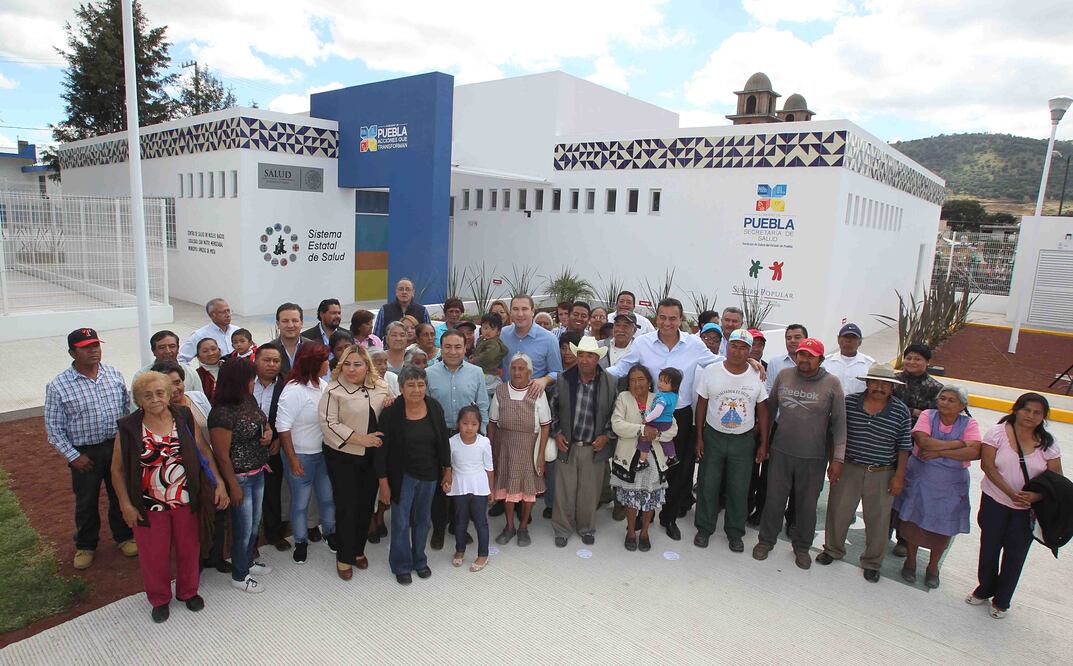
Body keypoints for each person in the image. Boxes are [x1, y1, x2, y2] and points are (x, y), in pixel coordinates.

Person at [112, 371, 227, 622]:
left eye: (160, 393)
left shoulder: (183, 415)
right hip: (148, 505)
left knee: (189, 549)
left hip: (186, 499)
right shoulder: (128, 427)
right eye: (147, 395)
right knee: (154, 555)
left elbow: (204, 452)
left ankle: (188, 592)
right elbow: (117, 470)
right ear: (138, 400)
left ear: (169, 394)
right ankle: (159, 598)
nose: (154, 399)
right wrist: (125, 504)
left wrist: (219, 482)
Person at [606, 298, 722, 542]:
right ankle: (638, 515)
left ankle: (668, 517)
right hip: (647, 414)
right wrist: (594, 372)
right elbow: (622, 368)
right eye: (662, 317)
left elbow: (717, 363)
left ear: (681, 320)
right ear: (656, 318)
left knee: (676, 469)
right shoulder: (643, 343)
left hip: (680, 414)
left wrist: (750, 363)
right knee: (644, 464)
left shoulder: (694, 344)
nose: (667, 323)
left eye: (672, 318)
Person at [45, 328, 136, 569]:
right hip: (85, 454)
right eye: (86, 347)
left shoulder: (114, 375)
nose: (94, 350)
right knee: (86, 500)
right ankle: (86, 545)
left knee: (120, 494)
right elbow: (54, 429)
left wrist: (125, 444)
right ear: (72, 352)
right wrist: (74, 456)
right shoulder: (58, 386)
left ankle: (124, 536)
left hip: (115, 446)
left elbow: (125, 412)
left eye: (96, 345)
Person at [753, 338, 846, 570]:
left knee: (806, 505)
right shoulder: (784, 375)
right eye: (802, 354)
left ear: (820, 359)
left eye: (810, 356)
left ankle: (802, 547)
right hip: (781, 450)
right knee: (773, 499)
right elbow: (770, 408)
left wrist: (837, 459)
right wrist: (764, 443)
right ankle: (766, 540)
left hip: (813, 456)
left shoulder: (832, 383)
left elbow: (840, 424)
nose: (804, 359)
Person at [817, 363, 912, 582]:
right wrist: (835, 461)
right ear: (867, 383)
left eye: (885, 384)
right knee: (838, 511)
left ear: (892, 387)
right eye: (875, 382)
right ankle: (832, 549)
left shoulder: (901, 411)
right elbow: (836, 434)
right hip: (849, 466)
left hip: (882, 472)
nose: (879, 387)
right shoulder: (849, 403)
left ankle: (872, 562)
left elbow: (904, 446)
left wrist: (899, 476)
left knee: (878, 519)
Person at [970, 393, 1062, 618]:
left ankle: (1002, 601)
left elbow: (1056, 481)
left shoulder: (1048, 445)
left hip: (1027, 512)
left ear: (1043, 417)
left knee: (1015, 554)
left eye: (1037, 412)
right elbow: (988, 466)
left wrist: (1034, 498)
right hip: (995, 502)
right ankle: (985, 589)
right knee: (989, 548)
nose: (1031, 416)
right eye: (1026, 410)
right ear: (1016, 409)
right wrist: (1010, 492)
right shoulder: (997, 433)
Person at [892, 385, 981, 587]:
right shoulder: (927, 415)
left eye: (951, 400)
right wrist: (958, 444)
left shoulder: (969, 423)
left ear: (962, 406)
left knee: (943, 527)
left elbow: (974, 452)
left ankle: (933, 566)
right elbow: (924, 443)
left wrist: (940, 452)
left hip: (951, 486)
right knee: (913, 521)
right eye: (943, 398)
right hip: (920, 479)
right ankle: (911, 561)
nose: (945, 403)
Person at [319, 345, 392, 580]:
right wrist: (362, 439)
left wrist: (392, 403)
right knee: (347, 506)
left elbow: (390, 409)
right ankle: (344, 555)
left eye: (357, 364)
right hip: (343, 457)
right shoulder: (333, 390)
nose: (351, 369)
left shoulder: (381, 386)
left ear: (366, 366)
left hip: (372, 457)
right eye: (347, 364)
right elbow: (329, 424)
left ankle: (358, 550)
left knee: (365, 506)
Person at [375, 365, 452, 585]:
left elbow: (442, 442)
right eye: (410, 385)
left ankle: (419, 559)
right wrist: (383, 483)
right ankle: (401, 564)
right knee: (400, 522)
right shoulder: (391, 413)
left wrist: (447, 469)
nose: (416, 390)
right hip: (402, 477)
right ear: (400, 388)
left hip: (429, 476)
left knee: (422, 521)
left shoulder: (434, 407)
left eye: (421, 384)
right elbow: (381, 451)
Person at [694, 329, 769, 553]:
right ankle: (704, 528)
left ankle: (735, 532)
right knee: (708, 483)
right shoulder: (712, 370)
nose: (737, 351)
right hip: (714, 436)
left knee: (739, 487)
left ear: (750, 351)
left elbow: (763, 410)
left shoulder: (757, 374)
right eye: (734, 346)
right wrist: (699, 436)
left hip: (743, 440)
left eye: (743, 347)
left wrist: (764, 443)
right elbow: (701, 404)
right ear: (727, 347)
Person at [152, 360, 228, 570]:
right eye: (168, 384)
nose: (175, 388)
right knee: (189, 522)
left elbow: (204, 444)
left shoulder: (197, 398)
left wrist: (218, 478)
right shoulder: (156, 415)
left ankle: (216, 557)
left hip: (207, 464)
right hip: (178, 476)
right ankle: (195, 565)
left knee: (217, 510)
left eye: (178, 382)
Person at [208, 358, 273, 594]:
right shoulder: (221, 414)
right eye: (251, 378)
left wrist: (267, 432)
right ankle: (239, 574)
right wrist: (232, 484)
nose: (254, 381)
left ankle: (247, 562)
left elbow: (262, 422)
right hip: (240, 478)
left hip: (258, 471)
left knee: (254, 523)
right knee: (242, 528)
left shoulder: (249, 399)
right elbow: (222, 455)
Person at [426, 330, 491, 549]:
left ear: (465, 348)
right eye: (448, 347)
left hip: (467, 436)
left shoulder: (476, 372)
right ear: (441, 348)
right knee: (440, 484)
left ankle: (458, 525)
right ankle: (439, 528)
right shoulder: (429, 373)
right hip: (439, 436)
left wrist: (479, 435)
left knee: (462, 483)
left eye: (458, 347)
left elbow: (482, 404)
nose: (453, 352)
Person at [549, 336, 616, 547]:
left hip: (594, 446)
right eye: (581, 355)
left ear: (598, 358)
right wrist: (557, 432)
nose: (585, 360)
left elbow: (616, 413)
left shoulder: (610, 382)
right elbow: (553, 409)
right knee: (564, 491)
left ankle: (586, 528)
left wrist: (606, 436)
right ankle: (562, 529)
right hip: (568, 444)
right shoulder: (563, 379)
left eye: (590, 356)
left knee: (589, 492)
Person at [276, 342, 337, 564]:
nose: (327, 364)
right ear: (313, 363)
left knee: (327, 498)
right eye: (324, 360)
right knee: (300, 503)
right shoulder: (293, 390)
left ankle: (330, 532)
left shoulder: (322, 385)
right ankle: (300, 541)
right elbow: (282, 428)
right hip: (300, 455)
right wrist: (292, 460)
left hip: (322, 454)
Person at [610, 364, 678, 551]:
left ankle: (645, 532)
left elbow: (672, 429)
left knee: (650, 499)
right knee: (631, 498)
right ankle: (631, 531)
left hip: (654, 459)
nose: (636, 383)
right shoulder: (623, 398)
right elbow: (617, 425)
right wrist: (641, 430)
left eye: (641, 379)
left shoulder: (660, 399)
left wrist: (654, 434)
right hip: (629, 456)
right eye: (632, 380)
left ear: (649, 382)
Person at [489, 353, 552, 546]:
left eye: (521, 368)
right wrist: (491, 451)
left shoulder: (538, 392)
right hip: (505, 447)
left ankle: (523, 526)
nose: (517, 372)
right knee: (508, 491)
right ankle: (509, 526)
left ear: (529, 372)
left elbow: (545, 425)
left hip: (529, 448)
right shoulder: (500, 391)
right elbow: (492, 424)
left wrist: (540, 455)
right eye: (514, 368)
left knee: (528, 492)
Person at [890, 342, 944, 557]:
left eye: (917, 359)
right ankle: (882, 531)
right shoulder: (893, 381)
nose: (912, 362)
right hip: (889, 441)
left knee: (908, 492)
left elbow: (936, 417)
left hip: (916, 447)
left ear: (927, 362)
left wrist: (912, 412)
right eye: (909, 358)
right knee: (887, 489)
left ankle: (903, 539)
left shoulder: (936, 388)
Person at [250, 344, 289, 552]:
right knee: (249, 497)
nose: (272, 365)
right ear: (256, 360)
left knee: (272, 491)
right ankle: (250, 540)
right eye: (267, 360)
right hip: (246, 448)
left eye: (276, 361)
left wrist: (279, 439)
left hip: (274, 446)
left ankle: (274, 533)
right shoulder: (245, 384)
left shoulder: (286, 385)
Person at [446, 405, 494, 572]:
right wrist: (446, 481)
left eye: (474, 424)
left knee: (481, 522)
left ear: (479, 425)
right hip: (460, 485)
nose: (469, 428)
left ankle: (483, 554)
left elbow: (489, 468)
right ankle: (460, 550)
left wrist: (491, 490)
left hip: (479, 486)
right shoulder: (452, 442)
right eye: (465, 423)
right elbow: (448, 466)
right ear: (458, 423)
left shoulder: (484, 442)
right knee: (460, 521)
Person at [130, 331, 203, 403]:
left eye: (172, 346)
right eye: (162, 347)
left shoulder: (191, 373)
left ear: (178, 349)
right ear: (153, 351)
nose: (168, 351)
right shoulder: (141, 376)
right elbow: (136, 407)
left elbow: (200, 401)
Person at [637, 368, 681, 469]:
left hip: (658, 422)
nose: (661, 384)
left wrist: (647, 419)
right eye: (660, 380)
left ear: (673, 386)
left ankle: (642, 461)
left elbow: (657, 412)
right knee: (666, 441)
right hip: (667, 422)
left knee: (645, 438)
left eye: (665, 383)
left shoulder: (662, 398)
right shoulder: (674, 396)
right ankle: (672, 457)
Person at [178, 298, 239, 363]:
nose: (228, 315)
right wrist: (190, 372)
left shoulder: (237, 331)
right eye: (223, 312)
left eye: (228, 311)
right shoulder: (200, 335)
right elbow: (181, 358)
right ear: (212, 315)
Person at [824, 323, 874, 396]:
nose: (848, 340)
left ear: (860, 342)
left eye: (853, 337)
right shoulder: (825, 363)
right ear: (838, 339)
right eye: (845, 336)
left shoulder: (870, 365)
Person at [472, 312, 509, 395]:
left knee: (482, 392)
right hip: (482, 371)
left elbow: (488, 356)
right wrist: (473, 356)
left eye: (492, 329)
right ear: (481, 328)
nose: (488, 331)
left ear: (498, 331)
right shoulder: (482, 340)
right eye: (485, 328)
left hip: (488, 373)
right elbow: (477, 351)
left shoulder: (494, 344)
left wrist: (474, 360)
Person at [271, 302, 306, 378]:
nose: (290, 325)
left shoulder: (313, 348)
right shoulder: (269, 349)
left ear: (302, 323)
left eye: (295, 321)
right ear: (278, 324)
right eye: (285, 321)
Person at [194, 337, 222, 402]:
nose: (211, 353)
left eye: (213, 349)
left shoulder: (229, 368)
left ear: (219, 351)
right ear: (198, 357)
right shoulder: (196, 375)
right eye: (205, 351)